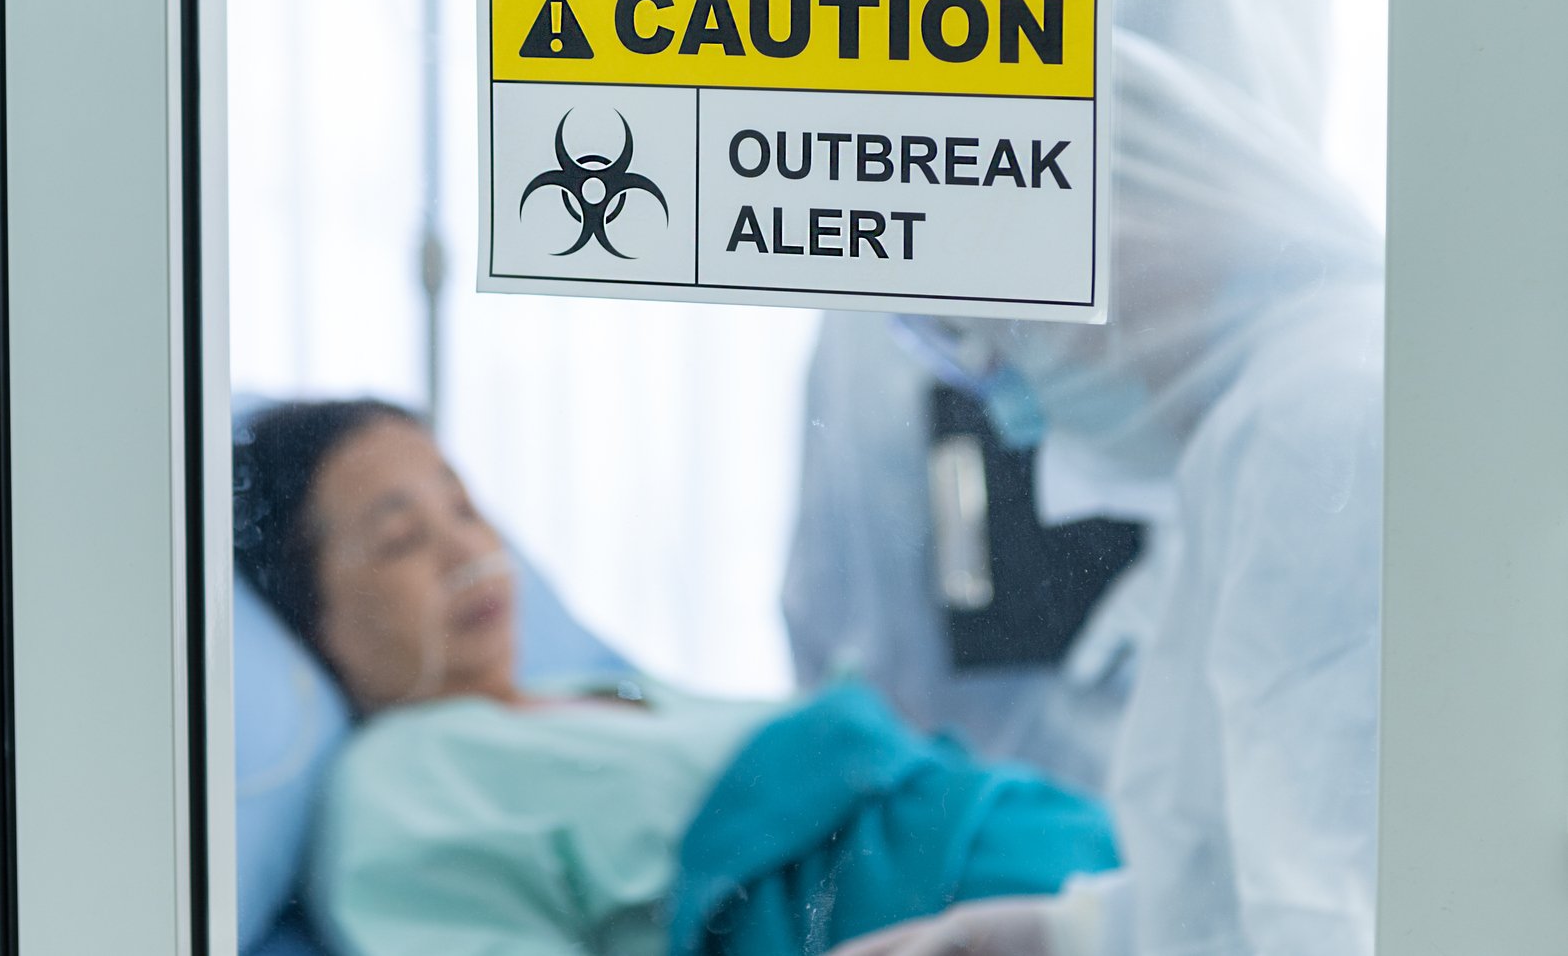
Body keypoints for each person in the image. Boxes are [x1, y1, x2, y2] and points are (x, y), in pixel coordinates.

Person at [762, 0, 1349, 794]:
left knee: (1077, 818)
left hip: (1089, 443)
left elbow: (1245, 219)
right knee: (867, 781)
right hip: (874, 430)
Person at [833, 32, 1383, 956]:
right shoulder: (1269, 413)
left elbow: (1326, 917)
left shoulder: (1312, 418)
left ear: (1121, 235)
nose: (992, 372)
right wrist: (1066, 933)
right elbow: (1265, 874)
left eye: (981, 321)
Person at [233, 400, 1121, 956]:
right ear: (316, 623)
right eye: (400, 540)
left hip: (1024, 858)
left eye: (464, 507)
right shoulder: (393, 790)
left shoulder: (592, 693)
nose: (467, 549)